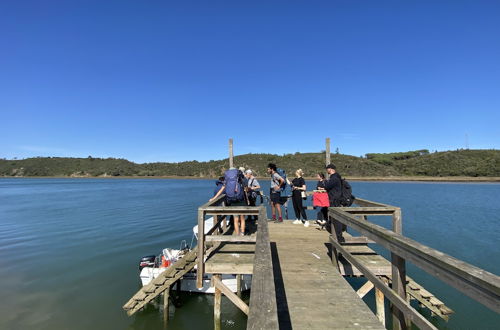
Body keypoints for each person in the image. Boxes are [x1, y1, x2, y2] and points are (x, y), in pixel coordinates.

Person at [210, 168, 247, 236]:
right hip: (241, 199)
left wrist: (214, 198)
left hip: (232, 200)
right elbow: (246, 187)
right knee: (242, 218)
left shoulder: (227, 179)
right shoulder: (239, 178)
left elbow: (222, 189)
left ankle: (238, 236)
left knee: (235, 219)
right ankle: (242, 234)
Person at [324, 164, 343, 237]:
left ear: (331, 169)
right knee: (334, 217)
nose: (327, 170)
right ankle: (337, 234)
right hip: (336, 199)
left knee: (336, 218)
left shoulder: (334, 178)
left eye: (327, 169)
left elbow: (327, 186)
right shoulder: (336, 177)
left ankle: (338, 235)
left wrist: (326, 182)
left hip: (335, 200)